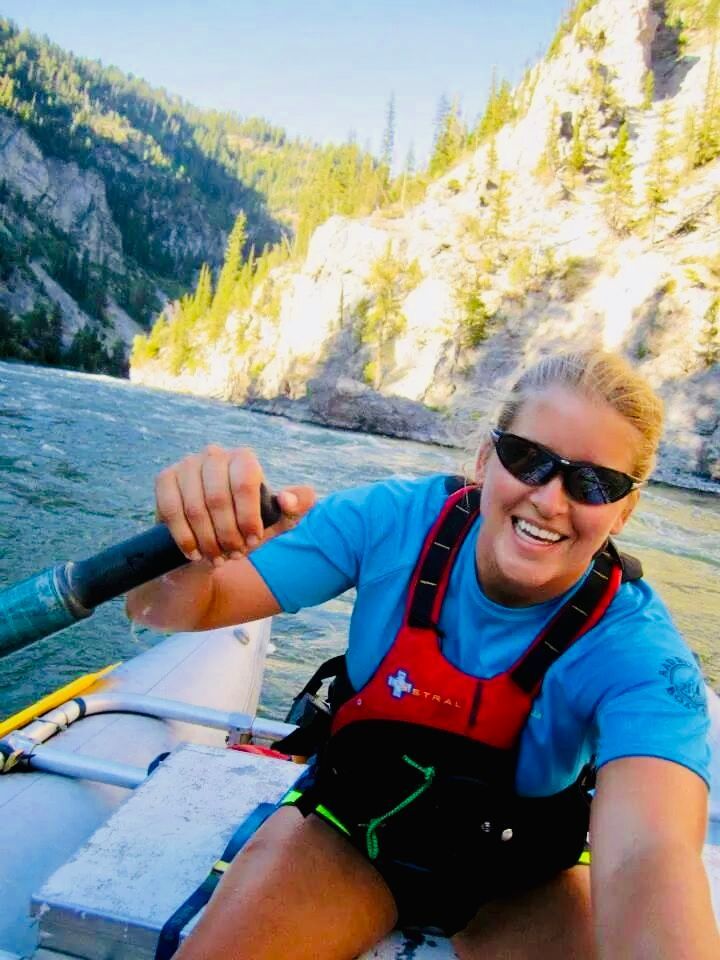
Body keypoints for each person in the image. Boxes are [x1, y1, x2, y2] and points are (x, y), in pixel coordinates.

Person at [127, 349, 718, 959]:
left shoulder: (637, 651)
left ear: (625, 507)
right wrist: (189, 541)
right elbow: (169, 610)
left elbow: (648, 856)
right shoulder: (392, 522)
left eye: (594, 483)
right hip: (347, 837)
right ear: (487, 458)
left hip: (523, 881)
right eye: (528, 458)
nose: (549, 499)